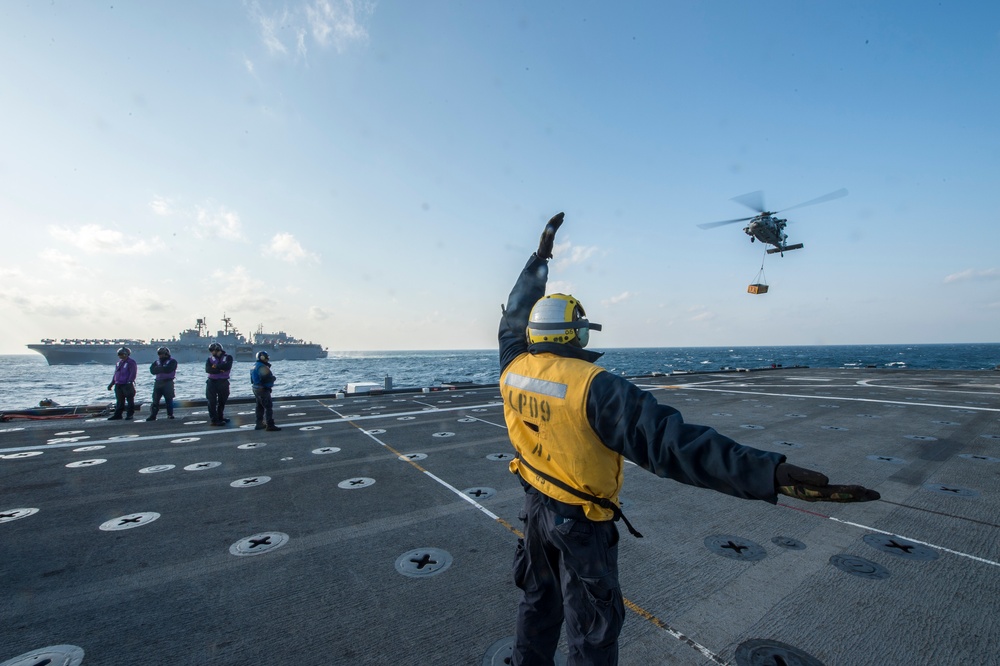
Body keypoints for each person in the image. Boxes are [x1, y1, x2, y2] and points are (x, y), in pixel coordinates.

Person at [498, 213, 880, 666]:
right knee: (592, 632)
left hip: (535, 512)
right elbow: (676, 446)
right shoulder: (595, 387)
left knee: (537, 609)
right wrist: (767, 473)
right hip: (580, 525)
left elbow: (512, 318)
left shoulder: (513, 368)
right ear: (575, 333)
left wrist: (538, 259)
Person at [250, 351, 281, 431]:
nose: (267, 359)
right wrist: (273, 378)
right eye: (266, 358)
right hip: (262, 389)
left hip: (255, 388)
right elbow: (265, 378)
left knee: (259, 406)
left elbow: (252, 380)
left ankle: (259, 423)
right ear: (262, 357)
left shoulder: (254, 366)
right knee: (268, 407)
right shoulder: (262, 367)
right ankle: (270, 425)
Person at [205, 342, 233, 426]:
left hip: (223, 382)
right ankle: (214, 419)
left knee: (222, 400)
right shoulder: (210, 359)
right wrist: (220, 369)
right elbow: (208, 369)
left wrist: (215, 367)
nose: (212, 352)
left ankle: (220, 416)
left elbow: (227, 367)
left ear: (218, 350)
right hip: (211, 382)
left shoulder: (228, 357)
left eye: (213, 350)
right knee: (211, 401)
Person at [106, 347, 138, 420]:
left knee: (130, 400)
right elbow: (116, 373)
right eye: (119, 354)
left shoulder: (131, 362)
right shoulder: (118, 363)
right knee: (119, 401)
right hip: (118, 384)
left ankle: (130, 414)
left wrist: (130, 381)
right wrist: (112, 383)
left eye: (122, 354)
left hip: (127, 384)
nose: (120, 356)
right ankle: (118, 415)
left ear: (127, 354)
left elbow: (133, 372)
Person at [146, 347, 177, 421]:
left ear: (166, 354)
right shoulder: (156, 362)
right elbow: (152, 370)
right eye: (159, 354)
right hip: (158, 382)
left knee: (169, 399)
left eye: (161, 354)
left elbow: (169, 369)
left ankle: (170, 414)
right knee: (155, 400)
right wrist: (162, 368)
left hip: (168, 382)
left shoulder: (172, 361)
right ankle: (153, 415)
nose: (160, 355)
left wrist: (159, 369)